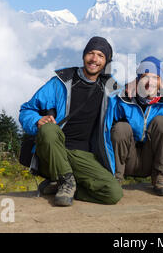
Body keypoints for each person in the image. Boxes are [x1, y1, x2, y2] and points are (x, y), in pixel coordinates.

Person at [19, 36, 123, 206]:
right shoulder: (61, 82)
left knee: (113, 193)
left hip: (83, 155)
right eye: (90, 53)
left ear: (106, 62)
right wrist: (37, 120)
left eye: (100, 55)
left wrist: (147, 88)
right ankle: (66, 181)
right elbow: (26, 109)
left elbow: (131, 112)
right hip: (53, 150)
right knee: (49, 129)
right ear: (84, 55)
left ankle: (62, 183)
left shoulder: (111, 90)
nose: (94, 59)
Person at [109, 56, 163, 196]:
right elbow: (106, 109)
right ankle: (116, 177)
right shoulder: (124, 100)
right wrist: (124, 88)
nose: (149, 83)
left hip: (152, 160)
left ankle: (161, 177)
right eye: (144, 77)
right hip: (128, 159)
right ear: (137, 80)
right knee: (121, 128)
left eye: (155, 78)